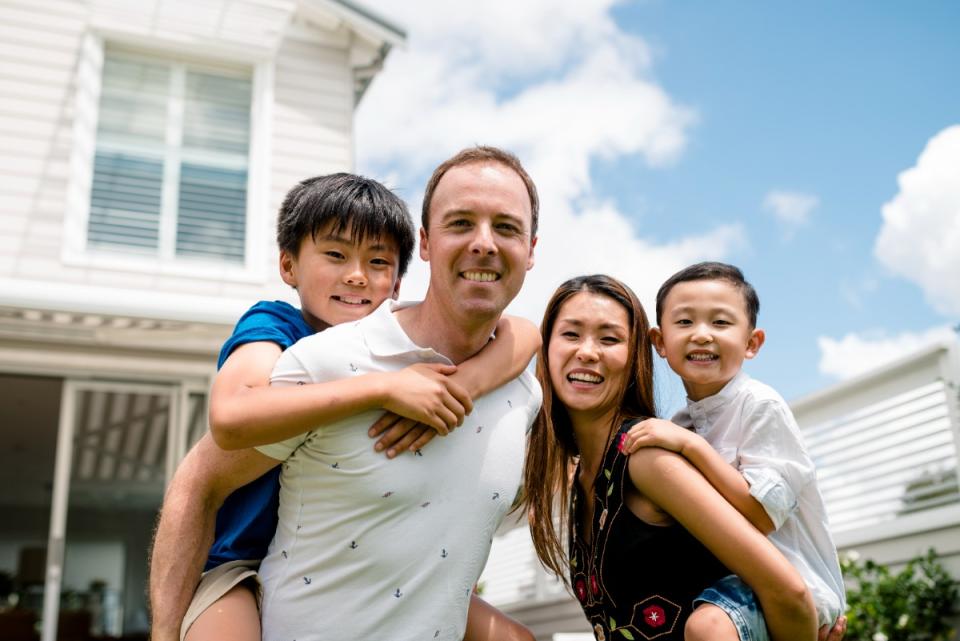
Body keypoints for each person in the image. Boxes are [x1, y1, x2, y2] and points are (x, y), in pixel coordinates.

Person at [150, 146, 543, 641]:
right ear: (288, 266)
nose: (356, 276)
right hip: (237, 561)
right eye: (335, 256)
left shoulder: (501, 376)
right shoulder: (282, 336)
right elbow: (225, 427)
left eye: (377, 262)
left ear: (398, 279)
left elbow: (525, 333)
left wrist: (465, 383)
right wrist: (381, 386)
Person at [524, 274, 847, 641]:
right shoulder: (591, 475)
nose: (587, 351)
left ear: (637, 356)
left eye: (609, 338)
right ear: (546, 348)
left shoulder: (649, 458)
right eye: (570, 334)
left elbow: (787, 590)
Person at [620, 261, 846, 634]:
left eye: (721, 323)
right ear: (659, 342)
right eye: (685, 322)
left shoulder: (760, 406)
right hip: (733, 583)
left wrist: (692, 447)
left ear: (751, 342)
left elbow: (761, 514)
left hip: (795, 583)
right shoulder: (681, 424)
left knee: (707, 626)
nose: (702, 335)